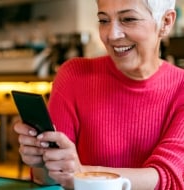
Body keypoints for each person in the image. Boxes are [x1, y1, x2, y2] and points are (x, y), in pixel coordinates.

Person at [14, 0, 184, 189]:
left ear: (166, 22)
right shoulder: (74, 75)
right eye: (104, 21)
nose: (112, 35)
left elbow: (168, 178)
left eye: (128, 19)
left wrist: (81, 175)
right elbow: (51, 180)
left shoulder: (181, 88)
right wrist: (41, 161)